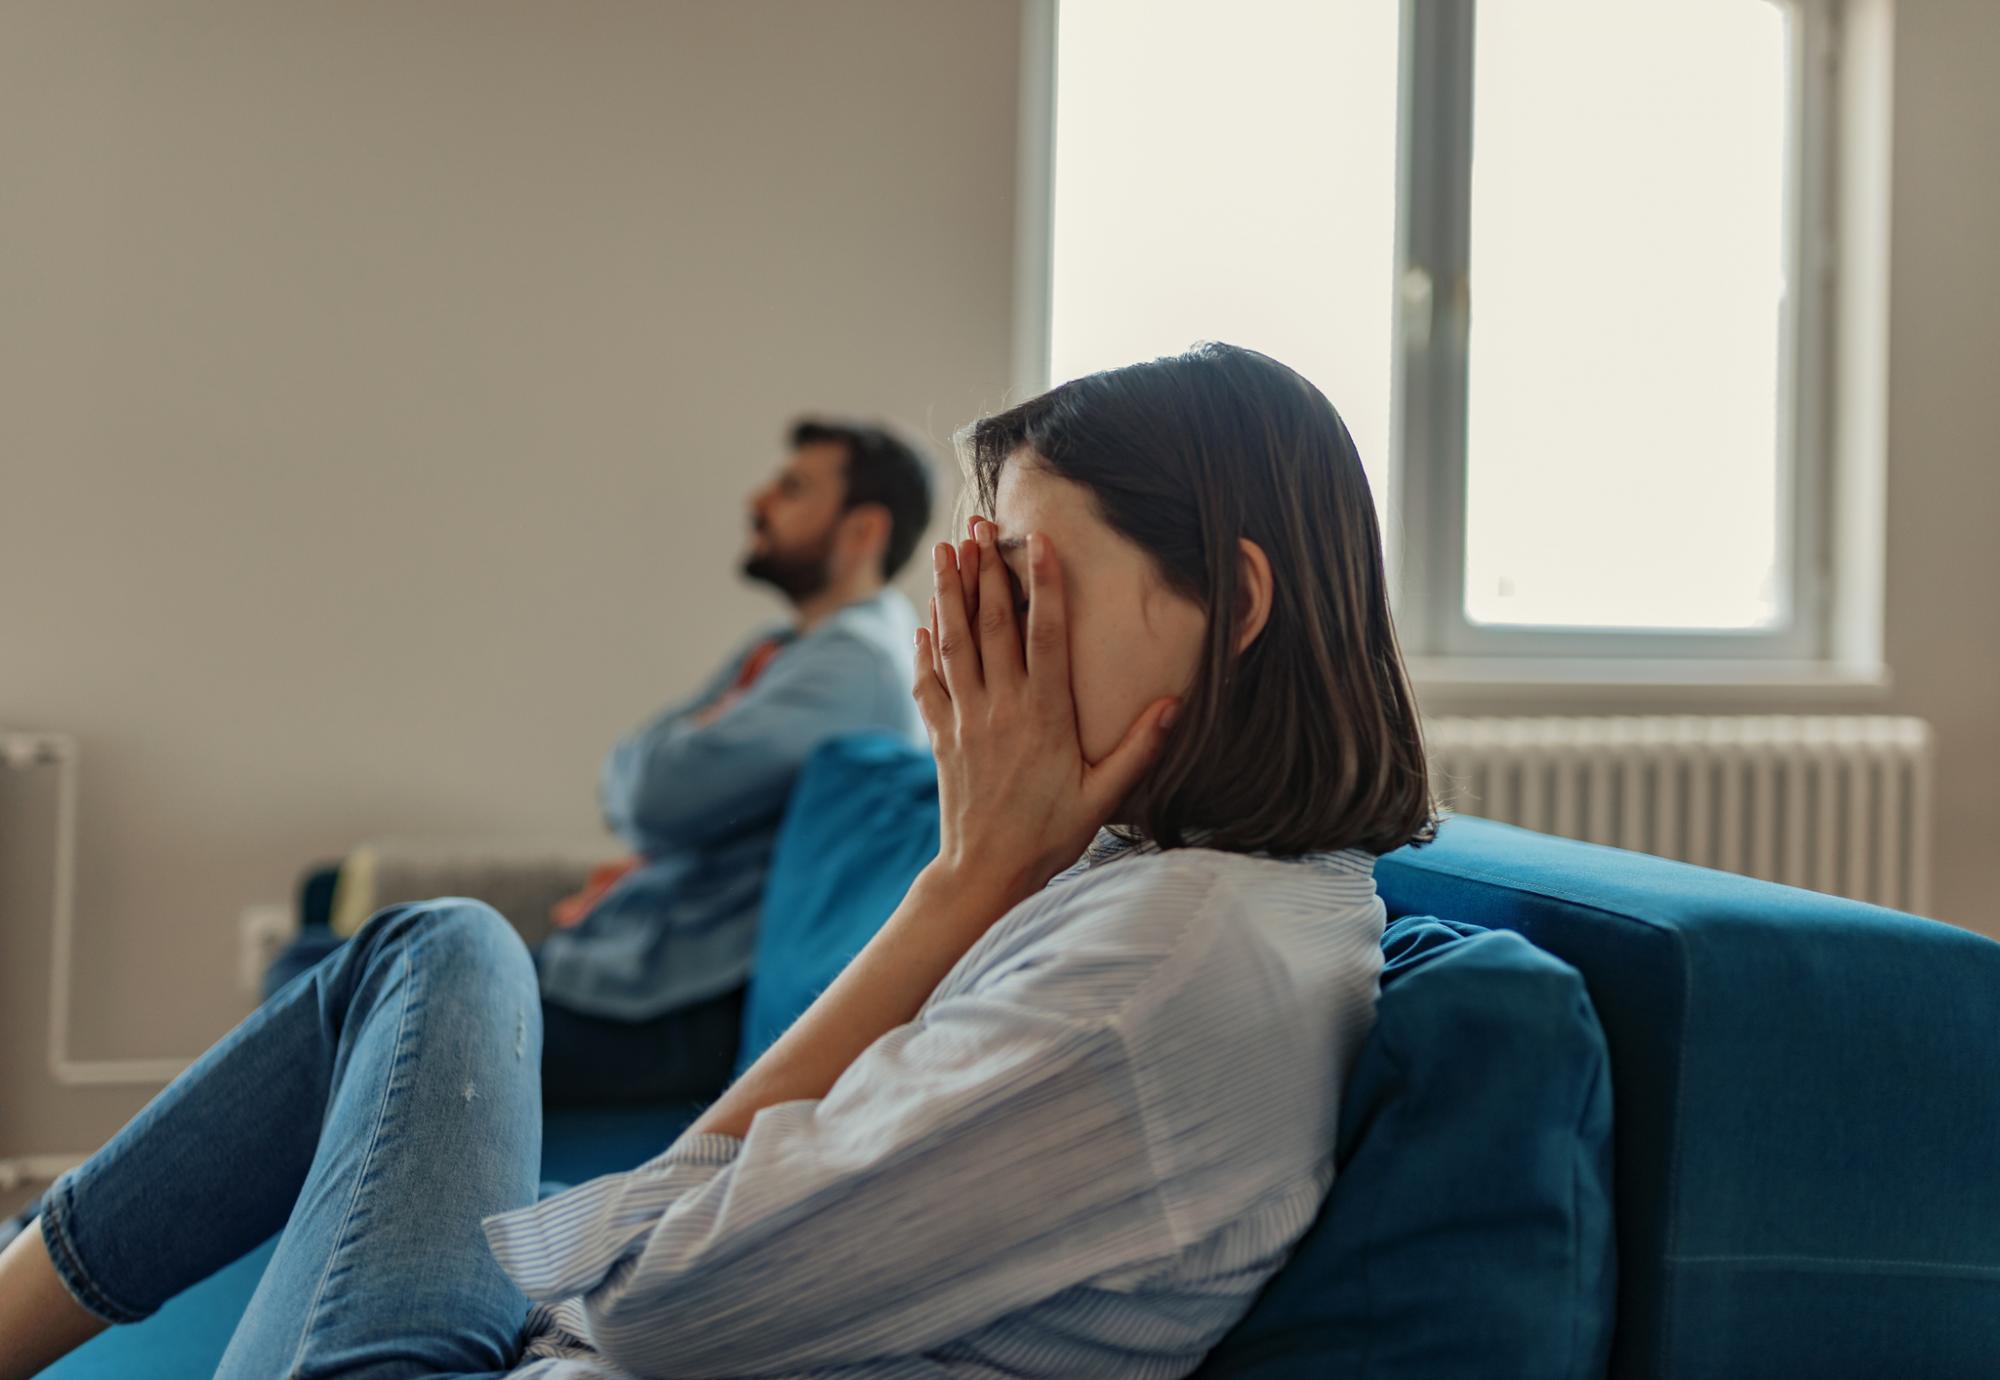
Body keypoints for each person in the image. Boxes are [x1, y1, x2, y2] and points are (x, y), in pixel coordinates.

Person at [0, 343, 1439, 1380]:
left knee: (431, 953)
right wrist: (986, 877)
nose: (972, 643)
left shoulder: (1160, 967)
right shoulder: (1205, 893)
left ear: (1232, 602)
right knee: (433, 950)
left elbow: (628, 1297)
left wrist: (958, 889)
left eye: (1021, 581)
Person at [265, 417, 935, 1108]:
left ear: (863, 531)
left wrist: (665, 776)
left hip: (667, 1008)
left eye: (793, 488)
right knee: (322, 962)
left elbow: (649, 792)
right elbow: (636, 777)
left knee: (316, 976)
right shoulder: (788, 649)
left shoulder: (855, 667)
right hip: (631, 975)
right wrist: (662, 780)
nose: (758, 500)